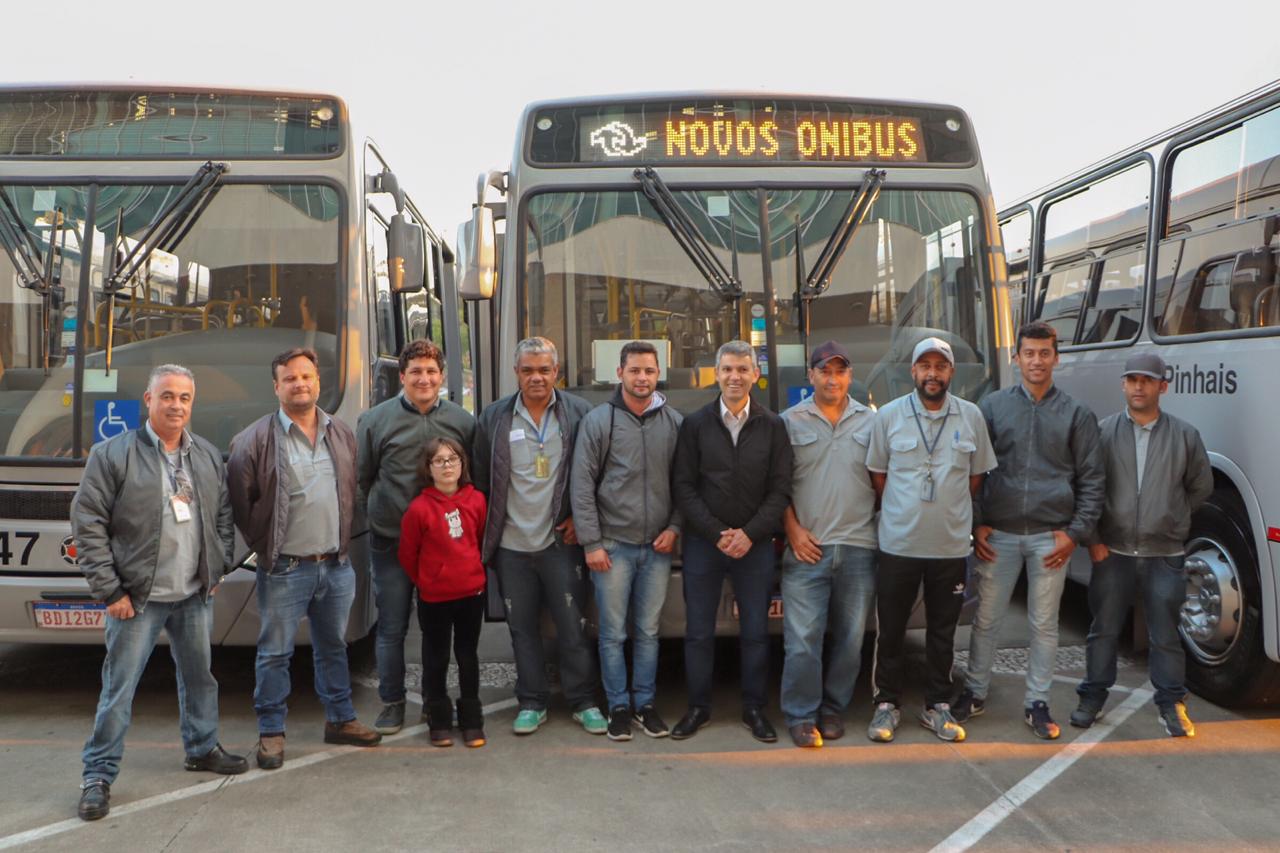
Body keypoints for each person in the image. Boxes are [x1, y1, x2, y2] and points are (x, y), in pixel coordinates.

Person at [73, 364, 247, 822]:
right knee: (119, 689)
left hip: (193, 593)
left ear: (193, 403)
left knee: (200, 679)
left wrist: (218, 565)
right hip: (136, 600)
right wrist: (110, 589)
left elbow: (223, 516)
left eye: (184, 398)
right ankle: (98, 775)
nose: (176, 405)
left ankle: (202, 747)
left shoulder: (206, 455)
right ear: (147, 401)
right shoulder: (113, 455)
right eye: (166, 396)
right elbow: (87, 524)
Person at [227, 347, 381, 770]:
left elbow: (353, 488)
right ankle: (272, 733)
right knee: (274, 653)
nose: (300, 384)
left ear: (318, 382)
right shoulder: (254, 439)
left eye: (307, 377)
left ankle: (341, 719)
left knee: (333, 647)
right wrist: (267, 550)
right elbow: (241, 504)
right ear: (276, 387)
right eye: (290, 378)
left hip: (335, 565)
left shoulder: (341, 433)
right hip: (285, 569)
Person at [953, 322, 1104, 739]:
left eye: (1044, 353)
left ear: (1057, 358)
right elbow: (975, 470)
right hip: (997, 535)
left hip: (1050, 539)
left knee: (1044, 625)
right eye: (1029, 353)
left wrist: (1074, 534)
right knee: (986, 620)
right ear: (1015, 358)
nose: (1037, 361)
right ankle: (975, 692)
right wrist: (978, 522)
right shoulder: (992, 408)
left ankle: (1037, 702)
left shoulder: (1077, 414)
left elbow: (1092, 480)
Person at [1072, 352, 1213, 737]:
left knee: (1165, 635)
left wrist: (1171, 518)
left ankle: (1171, 704)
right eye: (1132, 379)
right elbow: (1088, 489)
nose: (1138, 386)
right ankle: (1093, 697)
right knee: (1103, 630)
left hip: (1164, 554)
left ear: (1162, 387)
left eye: (1147, 380)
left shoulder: (1185, 436)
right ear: (1123, 384)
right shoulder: (1102, 432)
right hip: (1112, 552)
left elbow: (1201, 487)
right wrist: (1095, 540)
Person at [865, 337, 996, 743]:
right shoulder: (887, 416)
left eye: (941, 366)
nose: (933, 373)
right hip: (898, 545)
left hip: (950, 547)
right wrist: (906, 509)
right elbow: (878, 475)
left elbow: (976, 477)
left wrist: (951, 511)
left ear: (951, 372)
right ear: (913, 372)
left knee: (942, 632)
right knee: (890, 630)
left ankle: (937, 706)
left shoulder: (971, 416)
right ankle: (886, 705)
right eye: (926, 366)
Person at [472, 337, 604, 735]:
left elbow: (596, 474)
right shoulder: (494, 418)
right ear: (516, 373)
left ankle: (584, 701)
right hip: (510, 546)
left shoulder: (581, 414)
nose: (536, 378)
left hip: (559, 544)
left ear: (556, 373)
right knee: (522, 630)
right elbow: (481, 478)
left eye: (544, 370)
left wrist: (582, 520)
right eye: (528, 370)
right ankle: (532, 701)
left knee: (573, 627)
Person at [670, 340, 793, 743]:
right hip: (706, 545)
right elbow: (684, 487)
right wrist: (717, 533)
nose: (735, 377)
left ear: (755, 375)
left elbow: (780, 490)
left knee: (756, 632)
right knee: (699, 632)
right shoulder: (695, 424)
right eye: (727, 370)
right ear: (717, 374)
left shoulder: (773, 426)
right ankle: (698, 708)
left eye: (743, 369)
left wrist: (750, 534)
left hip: (754, 545)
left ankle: (755, 709)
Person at [357, 340, 476, 734]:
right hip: (391, 541)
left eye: (431, 372)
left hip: (442, 549)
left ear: (441, 377)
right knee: (392, 626)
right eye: (415, 372)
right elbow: (364, 476)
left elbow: (470, 482)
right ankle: (392, 702)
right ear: (402, 377)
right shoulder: (375, 420)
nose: (424, 379)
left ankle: (434, 701)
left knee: (437, 629)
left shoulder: (463, 421)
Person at [571, 341, 683, 741]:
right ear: (619, 373)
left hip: (657, 547)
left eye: (649, 371)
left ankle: (645, 704)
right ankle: (618, 706)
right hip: (612, 547)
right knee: (613, 634)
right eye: (634, 370)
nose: (642, 378)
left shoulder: (674, 422)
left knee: (649, 632)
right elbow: (581, 485)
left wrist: (674, 527)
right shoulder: (600, 421)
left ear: (658, 374)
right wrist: (592, 543)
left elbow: (684, 484)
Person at [778, 341, 877, 748]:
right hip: (807, 549)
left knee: (851, 641)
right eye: (824, 370)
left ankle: (833, 709)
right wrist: (793, 532)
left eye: (840, 370)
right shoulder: (787, 422)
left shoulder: (873, 423)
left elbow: (885, 481)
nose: (832, 378)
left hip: (859, 547)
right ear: (811, 376)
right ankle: (801, 715)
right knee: (802, 640)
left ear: (849, 376)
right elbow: (777, 488)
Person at [399, 436, 488, 748]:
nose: (447, 466)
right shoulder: (419, 509)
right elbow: (408, 554)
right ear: (428, 468)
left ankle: (472, 720)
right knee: (435, 658)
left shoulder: (476, 500)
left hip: (471, 593)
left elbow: (477, 540)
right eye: (439, 461)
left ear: (462, 464)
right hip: (434, 598)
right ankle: (438, 719)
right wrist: (428, 580)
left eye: (452, 459)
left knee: (467, 656)